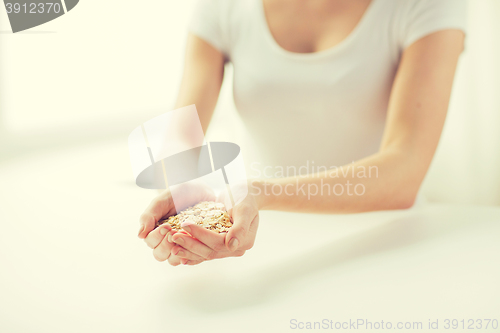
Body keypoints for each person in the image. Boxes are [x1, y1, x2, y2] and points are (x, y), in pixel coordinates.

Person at [137, 0, 467, 266]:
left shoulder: (426, 5)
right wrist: (186, 200)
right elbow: (181, 136)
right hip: (269, 244)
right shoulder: (224, 7)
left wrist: (262, 193)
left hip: (387, 245)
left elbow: (406, 169)